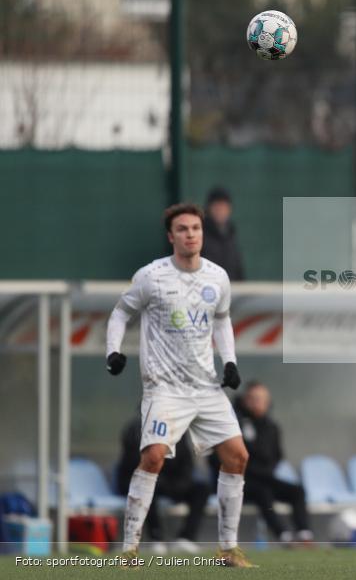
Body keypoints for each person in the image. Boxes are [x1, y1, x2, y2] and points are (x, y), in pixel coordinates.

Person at [105, 203, 254, 568]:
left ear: (202, 233)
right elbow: (121, 312)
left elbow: (222, 319)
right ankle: (129, 552)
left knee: (238, 456)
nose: (191, 235)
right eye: (183, 229)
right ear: (171, 236)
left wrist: (230, 361)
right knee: (153, 457)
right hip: (165, 388)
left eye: (196, 229)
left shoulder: (218, 277)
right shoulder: (151, 276)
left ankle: (228, 551)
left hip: (205, 386)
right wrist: (113, 351)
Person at [233, 381, 313, 545]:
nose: (258, 403)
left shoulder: (271, 426)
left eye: (261, 399)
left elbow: (277, 455)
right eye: (253, 398)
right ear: (245, 400)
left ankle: (305, 535)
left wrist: (267, 467)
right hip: (243, 480)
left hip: (266, 477)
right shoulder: (235, 424)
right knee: (264, 492)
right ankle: (284, 536)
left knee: (297, 491)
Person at [115, 418, 210, 554]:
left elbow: (186, 464)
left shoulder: (178, 431)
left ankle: (186, 538)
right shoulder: (136, 430)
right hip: (137, 480)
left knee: (201, 489)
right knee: (147, 487)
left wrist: (179, 484)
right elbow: (134, 464)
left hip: (171, 483)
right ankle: (156, 538)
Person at [201, 187, 245, 281]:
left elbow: (237, 268)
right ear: (209, 208)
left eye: (224, 207)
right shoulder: (200, 234)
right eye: (217, 207)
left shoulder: (231, 234)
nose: (220, 211)